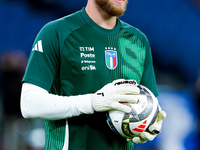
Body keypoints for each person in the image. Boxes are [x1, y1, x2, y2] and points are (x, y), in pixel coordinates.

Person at [20, 0, 166, 149]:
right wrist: (92, 103)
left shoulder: (138, 41)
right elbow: (29, 104)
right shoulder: (56, 32)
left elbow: (147, 101)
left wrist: (149, 120)